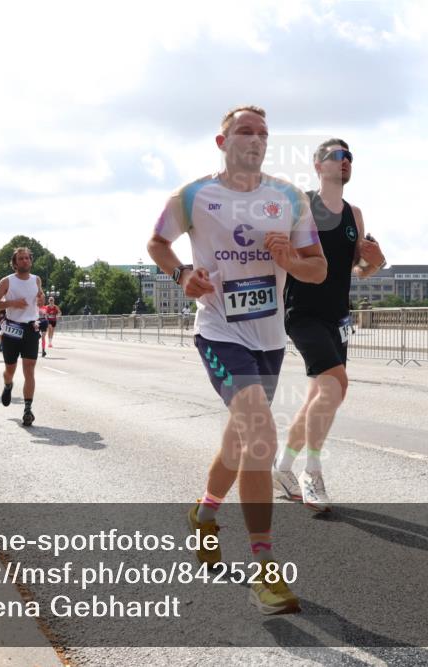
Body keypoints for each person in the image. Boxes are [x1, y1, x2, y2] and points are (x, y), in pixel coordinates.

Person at [147, 105, 326, 615]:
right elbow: (157, 243)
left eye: (263, 133)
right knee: (261, 435)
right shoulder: (192, 196)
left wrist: (290, 260)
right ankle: (265, 568)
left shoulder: (289, 198)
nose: (255, 139)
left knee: (241, 439)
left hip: (269, 340)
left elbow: (317, 269)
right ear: (222, 142)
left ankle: (204, 515)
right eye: (245, 131)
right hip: (219, 333)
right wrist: (183, 274)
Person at [274, 139, 386, 513]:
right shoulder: (302, 206)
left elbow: (361, 270)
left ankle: (282, 467)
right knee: (337, 384)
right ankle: (312, 472)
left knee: (319, 397)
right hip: (303, 312)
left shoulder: (355, 215)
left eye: (349, 156)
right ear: (318, 165)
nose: (345, 161)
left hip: (338, 317)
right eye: (337, 156)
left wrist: (377, 261)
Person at [0, 247, 45, 426]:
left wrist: (41, 299)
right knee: (10, 370)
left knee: (29, 369)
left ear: (31, 261)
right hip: (12, 329)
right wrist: (12, 303)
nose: (25, 261)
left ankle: (28, 409)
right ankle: (8, 385)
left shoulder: (36, 280)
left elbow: (40, 297)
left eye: (27, 258)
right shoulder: (7, 281)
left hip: (31, 328)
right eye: (21, 258)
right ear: (14, 263)